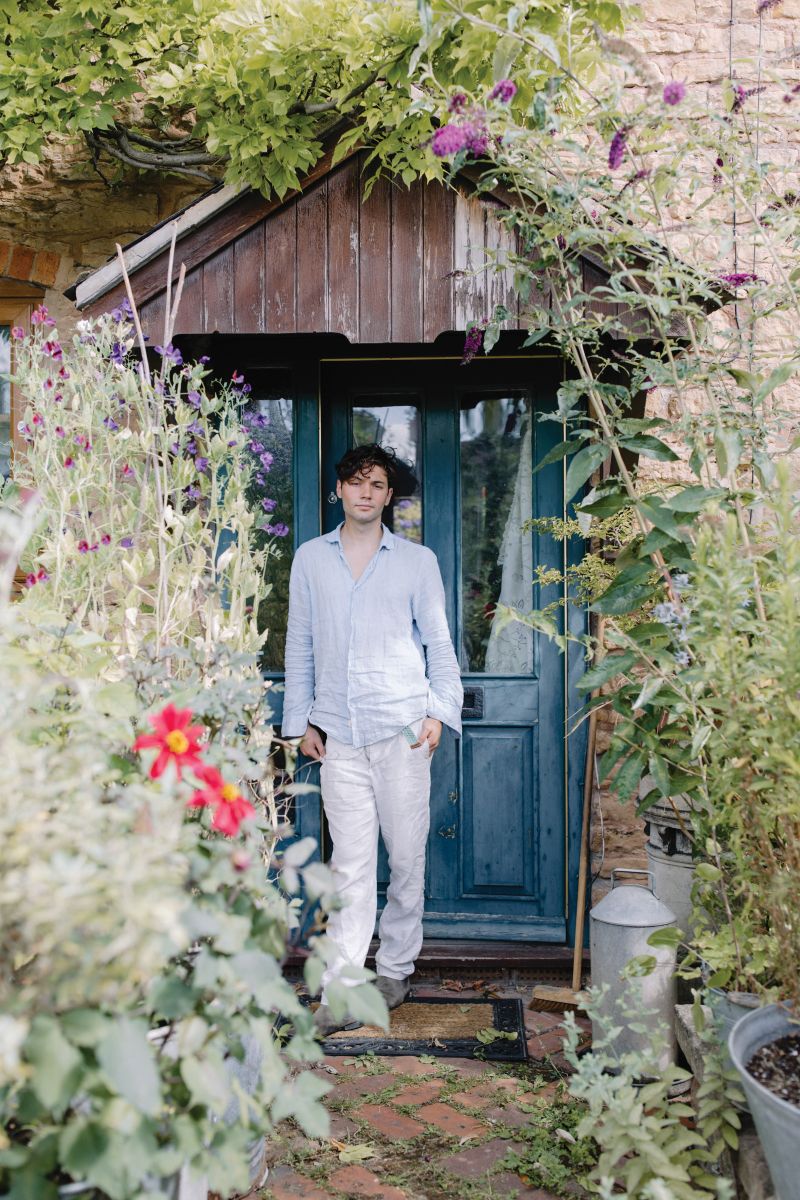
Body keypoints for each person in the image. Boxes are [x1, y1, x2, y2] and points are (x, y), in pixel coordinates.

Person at [282, 443, 463, 1035]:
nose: (366, 492)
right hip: (339, 735)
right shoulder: (311, 559)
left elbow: (439, 640)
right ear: (339, 490)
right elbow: (300, 643)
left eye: (378, 484)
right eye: (356, 482)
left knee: (406, 856)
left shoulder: (417, 561)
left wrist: (439, 710)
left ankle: (396, 966)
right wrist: (300, 720)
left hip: (404, 730)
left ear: (389, 496)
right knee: (351, 865)